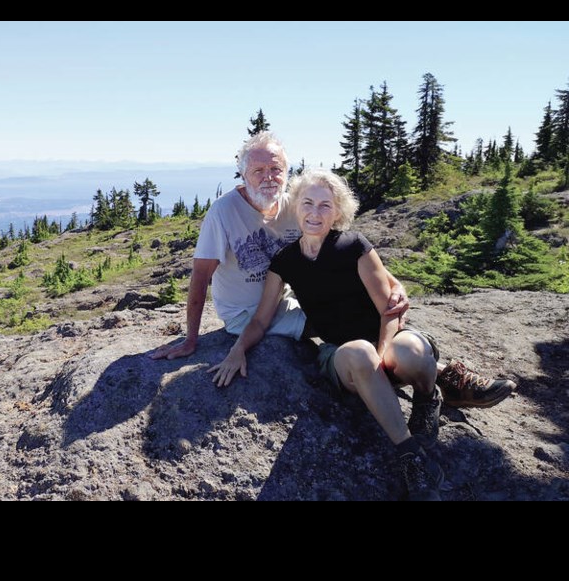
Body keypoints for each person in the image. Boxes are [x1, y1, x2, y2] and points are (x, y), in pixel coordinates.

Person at [207, 169, 514, 500]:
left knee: (411, 349)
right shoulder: (285, 262)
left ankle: (429, 396)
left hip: (384, 341)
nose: (314, 213)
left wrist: (383, 354)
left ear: (338, 211)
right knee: (359, 353)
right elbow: (260, 320)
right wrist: (237, 349)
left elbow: (390, 309)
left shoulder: (354, 247)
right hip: (343, 356)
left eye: (325, 205)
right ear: (295, 206)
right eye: (307, 203)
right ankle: (412, 457)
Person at [152, 131, 514, 410]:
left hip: (293, 296)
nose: (268, 177)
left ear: (286, 172)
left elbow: (349, 248)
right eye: (258, 170)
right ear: (243, 172)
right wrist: (191, 340)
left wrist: (393, 283)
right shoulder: (224, 213)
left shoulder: (295, 205)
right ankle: (439, 378)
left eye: (275, 169)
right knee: (345, 319)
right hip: (250, 313)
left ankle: (424, 367)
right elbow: (200, 279)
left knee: (366, 301)